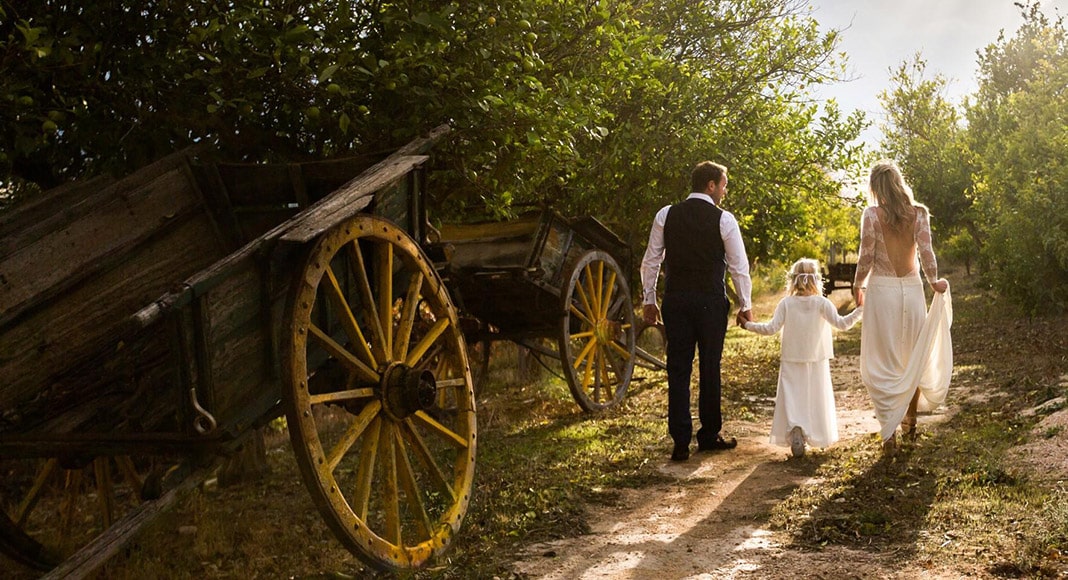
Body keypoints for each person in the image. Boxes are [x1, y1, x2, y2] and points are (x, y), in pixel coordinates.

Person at [640, 161, 753, 462]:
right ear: (711, 185)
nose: (725, 191)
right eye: (724, 184)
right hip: (710, 303)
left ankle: (679, 441)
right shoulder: (724, 220)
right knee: (709, 366)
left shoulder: (666, 215)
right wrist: (746, 305)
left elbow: (651, 261)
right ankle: (708, 435)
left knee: (677, 367)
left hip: (676, 301)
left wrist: (649, 299)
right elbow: (739, 267)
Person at [852, 160, 952, 453]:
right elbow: (926, 253)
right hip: (910, 291)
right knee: (912, 358)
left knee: (882, 361)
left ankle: (888, 435)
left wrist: (858, 285)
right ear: (898, 182)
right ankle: (909, 421)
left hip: (882, 292)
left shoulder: (871, 215)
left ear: (874, 187)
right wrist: (934, 281)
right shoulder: (919, 214)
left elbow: (866, 257)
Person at [743, 258, 863, 457]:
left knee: (792, 396)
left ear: (793, 279)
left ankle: (796, 429)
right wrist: (859, 310)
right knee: (814, 397)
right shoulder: (822, 303)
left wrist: (748, 325)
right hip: (816, 359)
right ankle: (809, 432)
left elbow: (770, 328)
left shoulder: (786, 303)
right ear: (817, 279)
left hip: (791, 357)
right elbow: (842, 324)